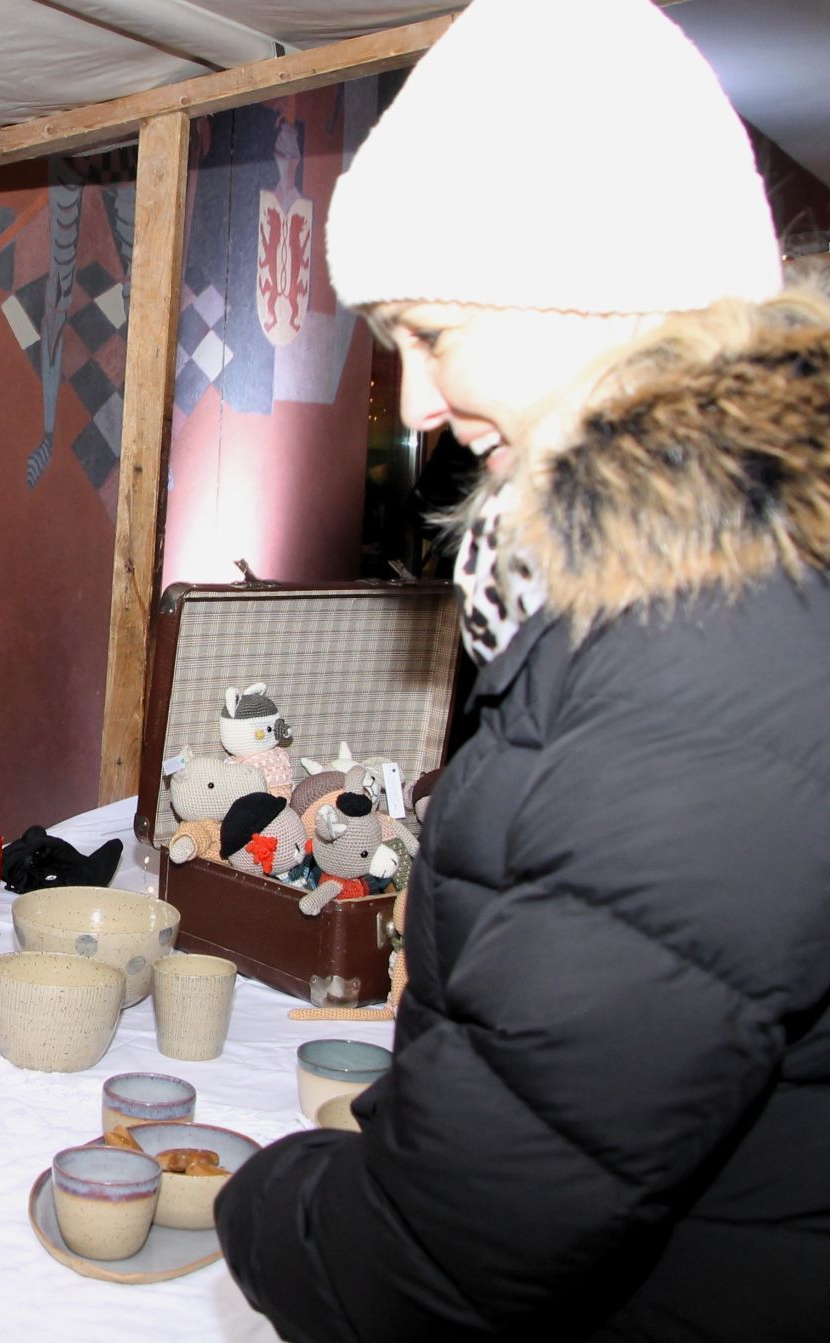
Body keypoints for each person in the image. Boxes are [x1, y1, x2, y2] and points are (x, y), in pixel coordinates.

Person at [214, 1, 830, 1339]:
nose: (415, 403)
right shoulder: (699, 581)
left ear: (587, 284)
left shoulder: (709, 640)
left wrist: (258, 1197)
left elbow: (448, 1246)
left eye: (431, 331)